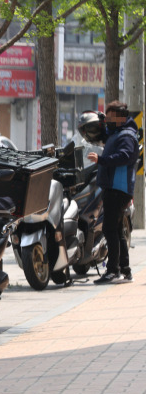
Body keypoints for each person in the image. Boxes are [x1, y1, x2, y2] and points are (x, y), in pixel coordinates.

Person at [83, 101, 139, 284]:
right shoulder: (117, 133)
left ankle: (112, 270)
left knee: (109, 229)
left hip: (118, 189)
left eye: (110, 117)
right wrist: (100, 121)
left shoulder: (127, 136)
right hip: (115, 188)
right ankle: (125, 269)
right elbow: (103, 133)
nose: (107, 120)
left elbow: (124, 156)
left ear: (120, 118)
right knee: (116, 230)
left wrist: (101, 159)